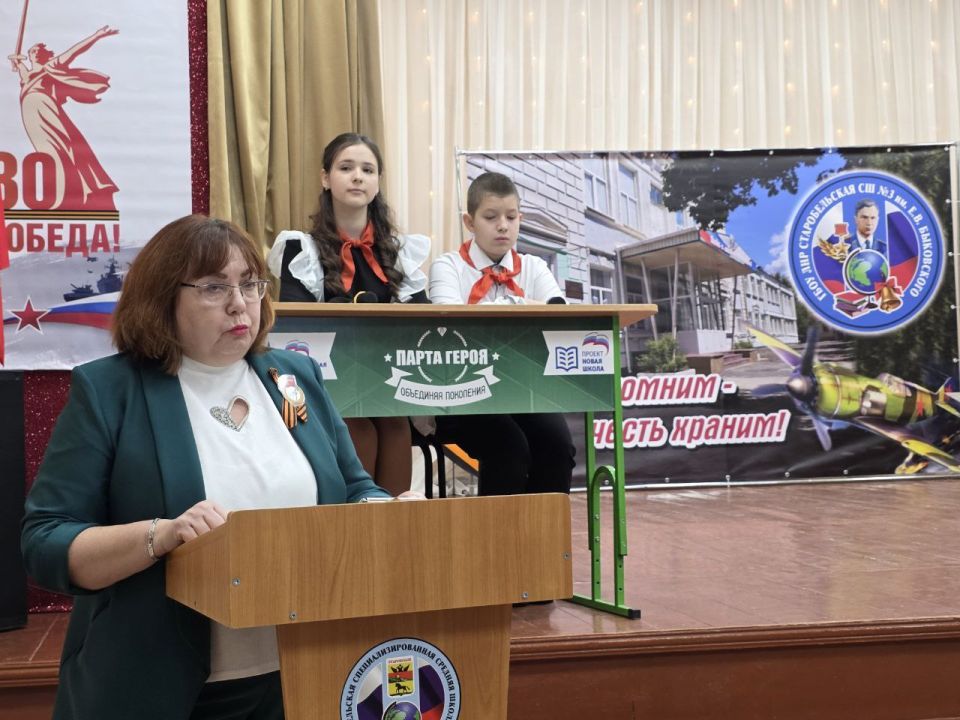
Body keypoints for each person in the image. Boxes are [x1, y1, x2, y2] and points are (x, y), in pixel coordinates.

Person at [22, 215, 403, 720]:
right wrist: (160, 535)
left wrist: (384, 509)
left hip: (304, 672)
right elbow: (46, 541)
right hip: (166, 686)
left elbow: (353, 487)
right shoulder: (111, 390)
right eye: (213, 287)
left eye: (249, 284)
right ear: (163, 299)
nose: (239, 303)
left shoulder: (293, 375)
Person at [267, 133, 430, 496]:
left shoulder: (400, 252)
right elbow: (295, 327)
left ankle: (393, 525)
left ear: (378, 182)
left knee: (395, 425)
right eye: (346, 168)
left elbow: (424, 319)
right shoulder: (301, 248)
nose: (358, 176)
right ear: (326, 178)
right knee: (360, 428)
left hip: (386, 379)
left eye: (367, 170)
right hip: (327, 380)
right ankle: (353, 522)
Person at [428, 171, 575, 496]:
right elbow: (449, 325)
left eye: (511, 217)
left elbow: (558, 314)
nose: (503, 226)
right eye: (491, 217)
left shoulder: (534, 266)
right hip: (462, 393)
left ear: (520, 219)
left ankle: (544, 531)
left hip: (524, 390)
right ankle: (500, 532)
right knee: (508, 447)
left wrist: (514, 305)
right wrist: (522, 304)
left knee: (557, 446)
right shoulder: (448, 266)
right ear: (469, 221)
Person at [8, 26, 119, 211]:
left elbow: (74, 51)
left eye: (38, 50)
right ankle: (62, 193)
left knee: (64, 146)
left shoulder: (51, 66)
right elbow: (22, 72)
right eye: (32, 51)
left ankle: (82, 191)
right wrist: (17, 63)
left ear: (45, 54)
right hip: (30, 114)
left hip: (45, 108)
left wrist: (96, 36)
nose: (34, 52)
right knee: (47, 151)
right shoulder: (27, 77)